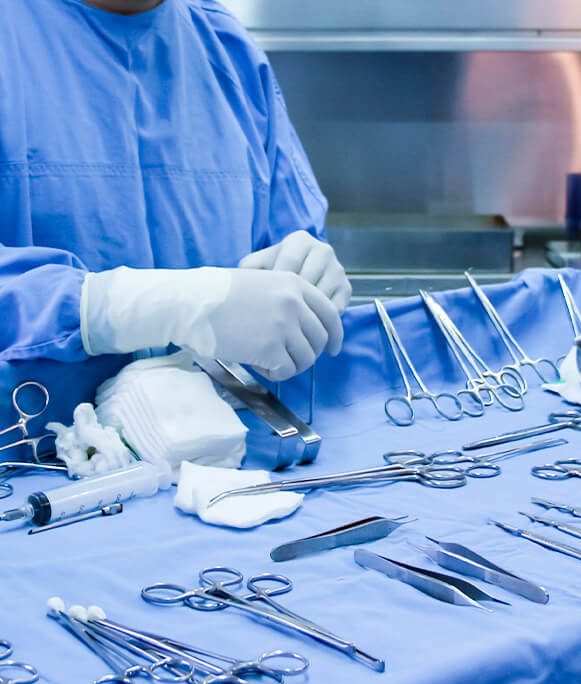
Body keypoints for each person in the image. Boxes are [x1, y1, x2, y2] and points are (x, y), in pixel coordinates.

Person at [0, 0, 351, 441]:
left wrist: (305, 279)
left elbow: (290, 235)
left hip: (222, 453)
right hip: (33, 460)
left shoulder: (225, 48)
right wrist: (107, 308)